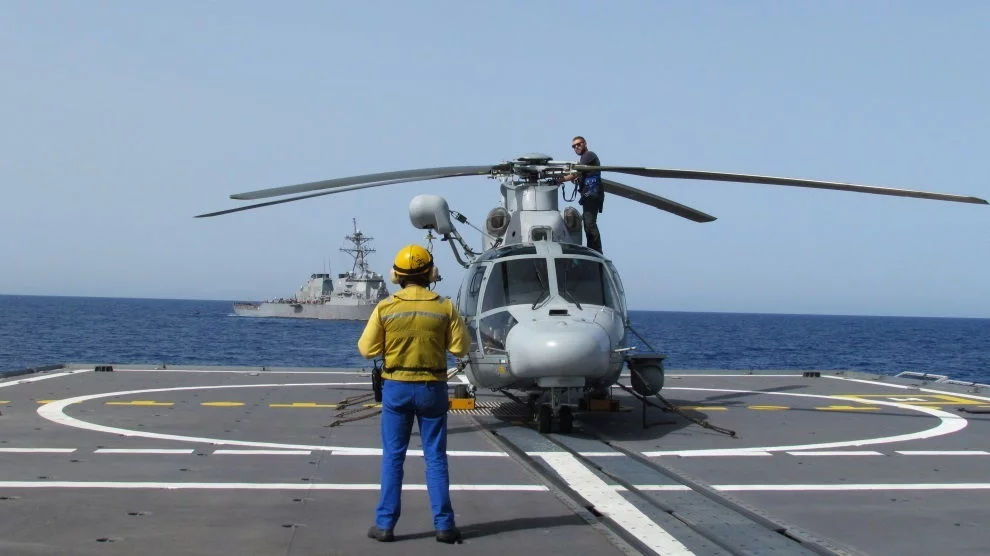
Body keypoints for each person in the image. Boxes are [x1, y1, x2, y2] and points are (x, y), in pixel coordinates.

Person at [358, 244, 472, 544]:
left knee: (393, 457)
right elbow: (461, 348)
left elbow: (367, 349)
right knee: (435, 457)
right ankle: (444, 526)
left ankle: (385, 525)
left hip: (396, 388)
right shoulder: (445, 307)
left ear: (396, 276)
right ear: (431, 273)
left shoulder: (386, 307)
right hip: (432, 388)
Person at [558, 136, 604, 253]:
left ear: (585, 144)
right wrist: (577, 180)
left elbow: (576, 172)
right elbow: (580, 175)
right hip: (589, 196)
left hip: (592, 195)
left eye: (579, 144)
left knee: (589, 224)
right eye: (574, 146)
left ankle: (596, 250)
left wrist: (560, 179)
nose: (576, 147)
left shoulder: (588, 155)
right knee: (588, 223)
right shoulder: (585, 160)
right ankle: (593, 249)